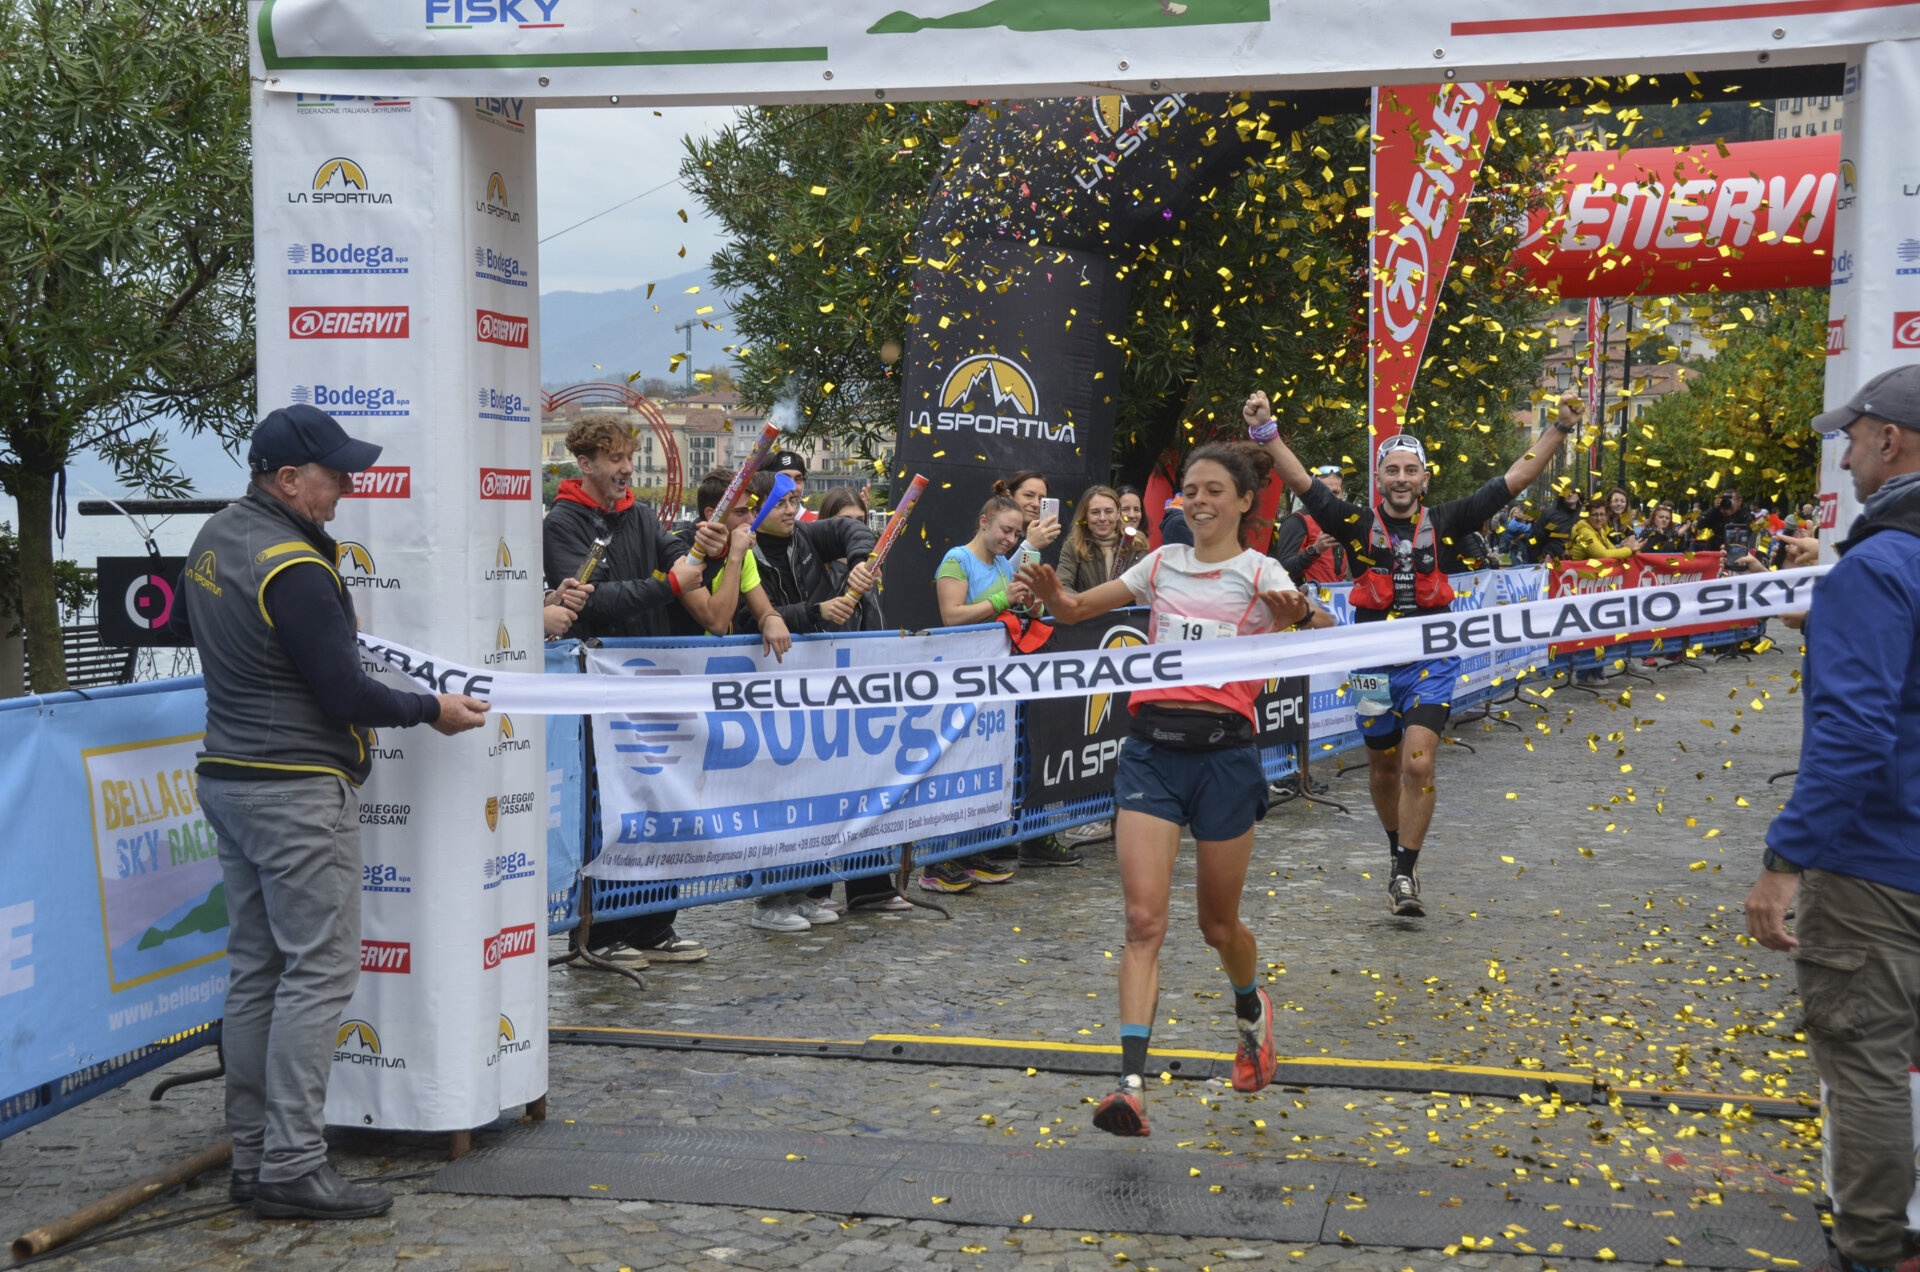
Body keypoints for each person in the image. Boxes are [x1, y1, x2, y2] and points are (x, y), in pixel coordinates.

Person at [169, 405, 489, 1220]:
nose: (348, 487)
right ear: (287, 479)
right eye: (335, 474)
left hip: (229, 776)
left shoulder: (215, 539)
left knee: (256, 971)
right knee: (317, 975)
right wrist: (430, 710)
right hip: (294, 790)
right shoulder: (295, 566)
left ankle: (251, 1157)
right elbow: (343, 691)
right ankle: (293, 1165)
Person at [1019, 442, 1330, 1137]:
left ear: (1245, 501)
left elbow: (1327, 634)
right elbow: (1073, 612)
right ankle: (1130, 1085)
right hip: (1152, 752)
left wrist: (1300, 614)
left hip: (1225, 758)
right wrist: (1053, 597)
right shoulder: (1159, 564)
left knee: (1217, 926)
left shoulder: (1260, 571)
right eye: (1188, 490)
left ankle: (1251, 1008)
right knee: (1142, 922)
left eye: (1213, 490)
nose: (1197, 501)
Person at [1247, 389, 1579, 917]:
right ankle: (1397, 848)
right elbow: (1301, 482)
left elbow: (1515, 479)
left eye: (1411, 471)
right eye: (1392, 470)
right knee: (1382, 766)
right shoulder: (1353, 523)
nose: (1402, 479)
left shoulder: (1448, 519)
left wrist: (1557, 430)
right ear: (1380, 479)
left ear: (1425, 479)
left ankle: (1403, 873)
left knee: (1418, 762)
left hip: (1431, 661)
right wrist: (1266, 431)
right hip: (1373, 665)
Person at [1744, 365, 1920, 1272]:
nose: (1845, 456)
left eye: (1852, 437)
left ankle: (1875, 1248)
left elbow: (1855, 731)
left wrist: (1787, 858)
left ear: (1889, 440)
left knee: (1864, 1061)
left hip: (1879, 862)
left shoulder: (1879, 565)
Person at [543, 415, 732, 968]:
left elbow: (681, 565)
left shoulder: (642, 514)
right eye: (617, 459)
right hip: (598, 689)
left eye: (631, 456)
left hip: (651, 681)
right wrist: (667, 584)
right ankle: (599, 934)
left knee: (660, 801)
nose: (627, 468)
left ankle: (655, 924)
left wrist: (708, 553)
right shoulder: (562, 523)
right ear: (587, 464)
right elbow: (591, 601)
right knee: (608, 812)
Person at [929, 495, 1077, 886]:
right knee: (957, 768)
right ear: (983, 522)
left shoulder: (997, 564)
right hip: (961, 681)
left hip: (992, 683)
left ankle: (969, 852)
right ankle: (937, 863)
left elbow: (1006, 613)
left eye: (1016, 533)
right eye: (1005, 530)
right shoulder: (957, 560)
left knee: (982, 768)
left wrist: (1030, 607)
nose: (1011, 539)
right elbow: (951, 617)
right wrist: (1002, 600)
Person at [1270, 463, 1351, 585]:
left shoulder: (1343, 522)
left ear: (1342, 492)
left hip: (1336, 599)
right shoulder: (1296, 521)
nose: (1330, 497)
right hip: (1303, 600)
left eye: (1335, 492)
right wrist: (1315, 550)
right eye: (1324, 491)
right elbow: (1283, 570)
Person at [1057, 485, 1147, 591]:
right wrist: (1086, 605)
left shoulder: (1136, 544)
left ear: (1118, 513)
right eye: (1095, 512)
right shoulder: (1073, 545)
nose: (1102, 518)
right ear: (1085, 516)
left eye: (1109, 511)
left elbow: (1143, 587)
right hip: (1086, 607)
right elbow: (1061, 586)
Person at [1528, 487, 1583, 562]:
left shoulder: (1584, 516)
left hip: (1577, 564)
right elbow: (1535, 538)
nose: (1570, 494)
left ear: (1579, 495)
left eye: (1573, 492)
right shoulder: (1549, 514)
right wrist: (1538, 560)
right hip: (1551, 563)